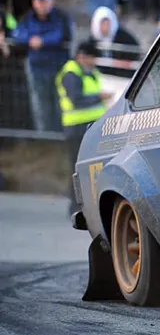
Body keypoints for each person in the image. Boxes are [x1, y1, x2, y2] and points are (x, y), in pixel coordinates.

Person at [8, 0, 71, 132]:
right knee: (41, 107)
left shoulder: (60, 16)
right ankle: (45, 137)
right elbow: (17, 35)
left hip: (59, 68)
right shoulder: (27, 17)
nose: (43, 5)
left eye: (45, 1)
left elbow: (63, 35)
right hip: (37, 69)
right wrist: (31, 40)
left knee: (60, 105)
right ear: (34, 2)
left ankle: (61, 137)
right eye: (40, 1)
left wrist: (43, 41)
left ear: (52, 1)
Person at [57, 40, 109, 214]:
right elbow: (76, 100)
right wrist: (99, 97)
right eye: (92, 58)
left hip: (91, 127)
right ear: (82, 57)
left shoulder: (90, 72)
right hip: (76, 128)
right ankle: (75, 207)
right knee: (78, 169)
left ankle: (89, 207)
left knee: (91, 169)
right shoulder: (71, 73)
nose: (94, 61)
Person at [88, 5, 142, 79]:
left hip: (122, 76)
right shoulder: (92, 40)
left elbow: (134, 53)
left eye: (108, 24)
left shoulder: (124, 37)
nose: (106, 27)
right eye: (103, 24)